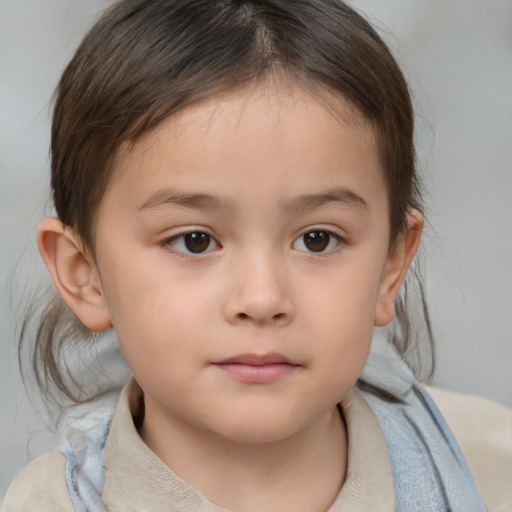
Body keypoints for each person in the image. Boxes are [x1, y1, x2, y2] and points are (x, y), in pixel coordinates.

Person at [2, 0, 511, 510]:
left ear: (390, 267)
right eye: (194, 240)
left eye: (318, 239)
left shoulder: (489, 462)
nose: (263, 298)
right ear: (83, 274)